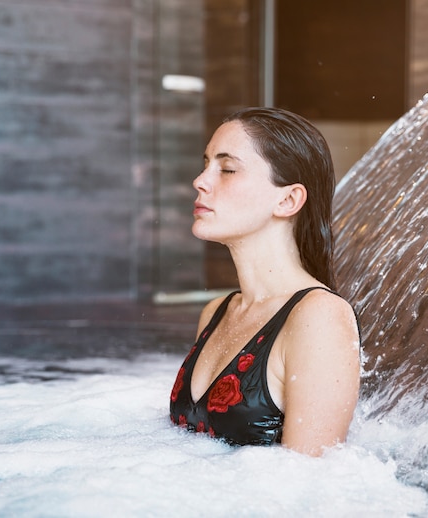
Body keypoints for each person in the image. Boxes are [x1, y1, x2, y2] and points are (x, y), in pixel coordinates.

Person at [169, 107, 360, 456]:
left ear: (287, 200)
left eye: (226, 169)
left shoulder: (319, 317)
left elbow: (310, 486)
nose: (200, 180)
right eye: (206, 163)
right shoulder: (217, 312)